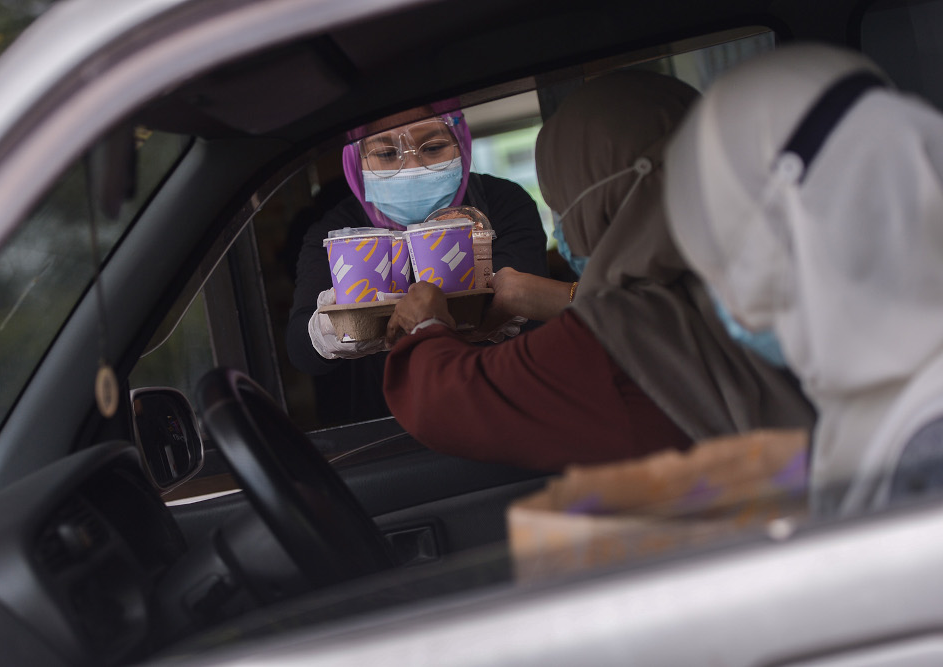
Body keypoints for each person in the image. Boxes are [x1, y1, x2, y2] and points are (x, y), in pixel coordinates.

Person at [383, 70, 815, 472]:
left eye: (562, 201)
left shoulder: (610, 344)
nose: (562, 224)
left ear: (599, 198)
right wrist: (563, 297)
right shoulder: (806, 265)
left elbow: (448, 402)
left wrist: (425, 324)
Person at [663, 42, 943, 516]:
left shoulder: (923, 447)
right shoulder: (882, 406)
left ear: (774, 244)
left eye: (720, 264)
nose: (729, 306)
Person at [286, 107, 549, 424]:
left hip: (504, 408)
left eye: (434, 147)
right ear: (357, 161)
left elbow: (527, 294)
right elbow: (301, 350)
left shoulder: (503, 201)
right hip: (389, 425)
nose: (412, 166)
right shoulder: (338, 234)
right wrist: (326, 330)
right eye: (385, 153)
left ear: (460, 142)